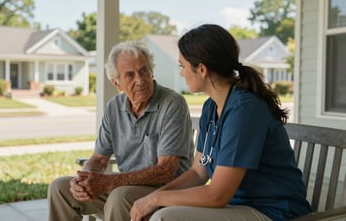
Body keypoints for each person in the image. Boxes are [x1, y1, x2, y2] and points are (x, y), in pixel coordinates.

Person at [130, 24, 312, 221]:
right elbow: (199, 173)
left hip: (274, 211)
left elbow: (217, 195)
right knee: (157, 210)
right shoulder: (211, 107)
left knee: (165, 217)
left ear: (201, 69)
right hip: (237, 206)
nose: (182, 73)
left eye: (182, 66)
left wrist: (157, 199)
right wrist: (152, 198)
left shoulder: (244, 110)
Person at [47, 41, 194, 221]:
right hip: (125, 187)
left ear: (151, 71)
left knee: (119, 196)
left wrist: (109, 182)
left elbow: (165, 171)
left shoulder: (172, 103)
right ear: (117, 83)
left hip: (164, 192)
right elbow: (99, 159)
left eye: (143, 71)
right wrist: (84, 179)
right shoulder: (114, 107)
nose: (139, 80)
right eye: (130, 75)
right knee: (59, 188)